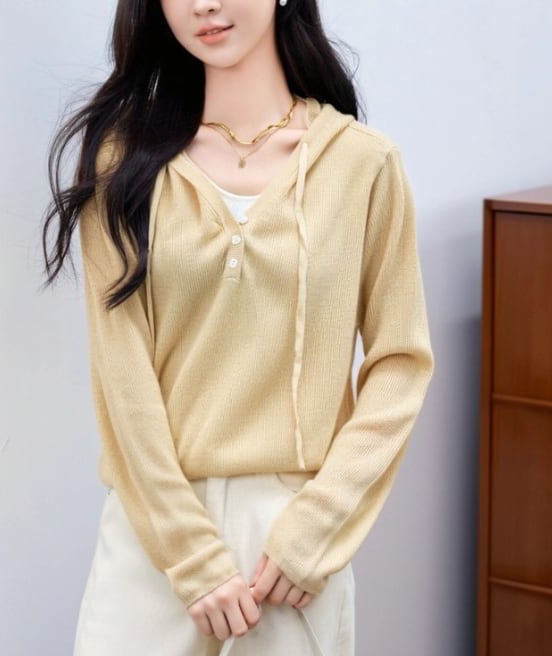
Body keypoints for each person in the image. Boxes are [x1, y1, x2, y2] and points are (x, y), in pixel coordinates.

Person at [41, 0, 434, 654]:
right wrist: (188, 552)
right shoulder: (122, 164)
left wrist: (318, 526)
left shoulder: (364, 165)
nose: (204, 4)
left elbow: (401, 362)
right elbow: (121, 374)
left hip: (291, 549)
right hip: (155, 537)